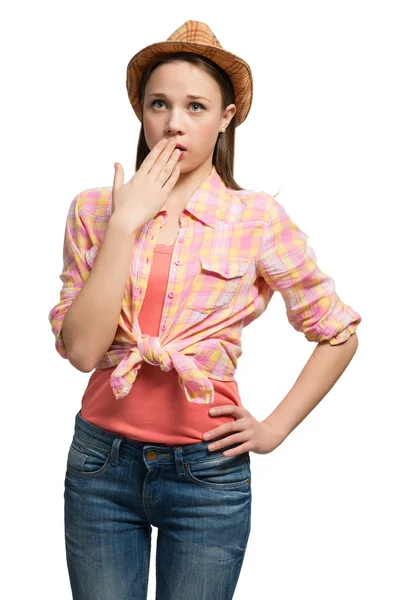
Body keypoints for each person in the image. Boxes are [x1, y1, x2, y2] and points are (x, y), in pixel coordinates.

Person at [48, 20, 362, 600]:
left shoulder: (257, 218)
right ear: (140, 112)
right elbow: (84, 351)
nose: (174, 123)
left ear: (226, 116)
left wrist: (275, 428)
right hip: (100, 468)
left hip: (206, 476)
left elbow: (338, 331)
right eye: (159, 104)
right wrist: (124, 223)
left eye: (196, 106)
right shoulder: (94, 209)